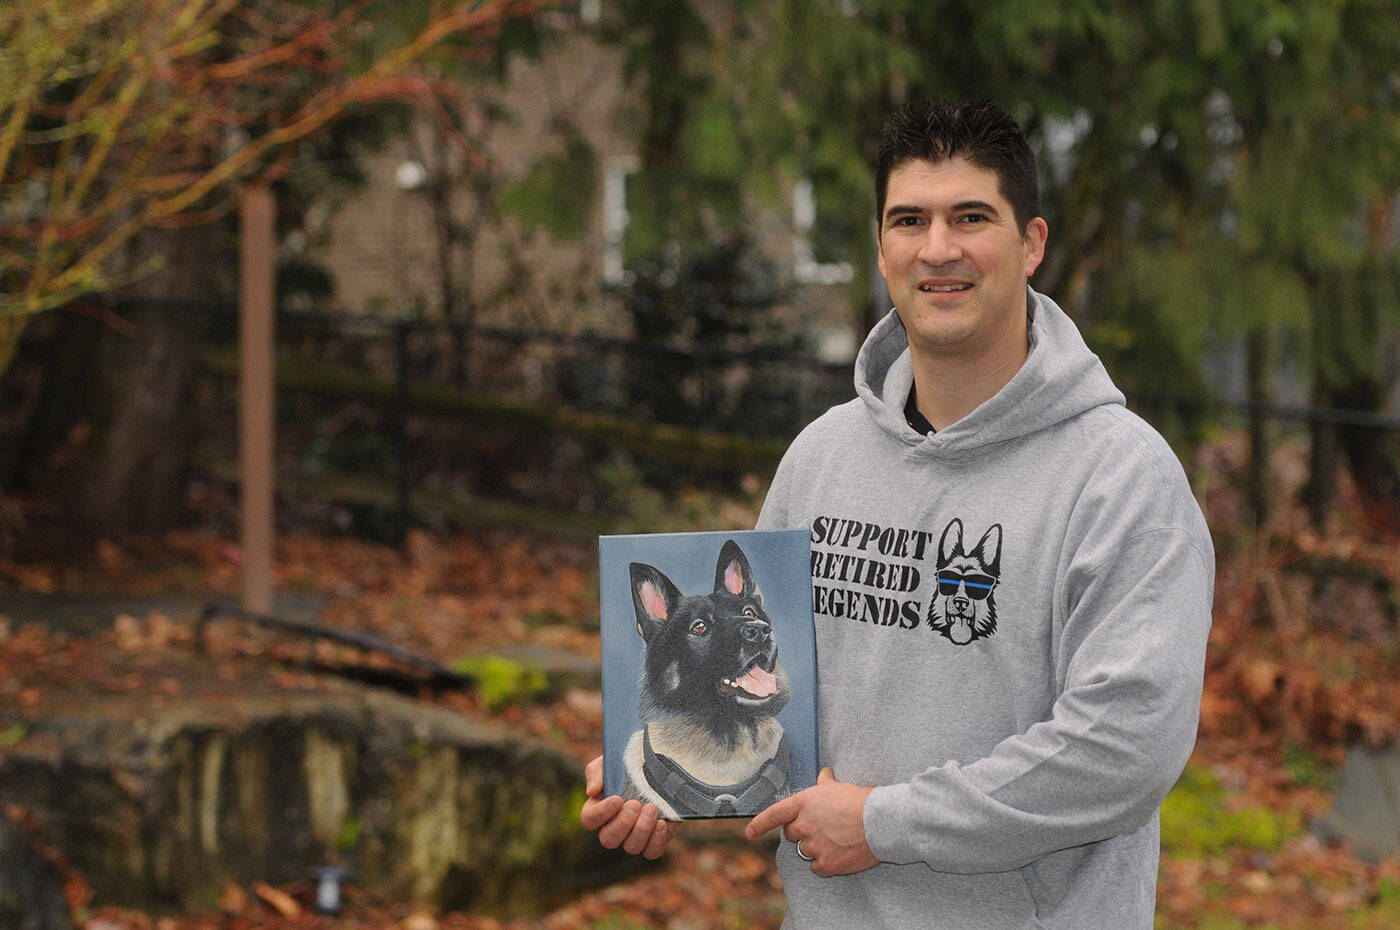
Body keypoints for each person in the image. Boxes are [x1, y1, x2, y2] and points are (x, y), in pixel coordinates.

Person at [581, 98, 1214, 929]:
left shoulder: (1121, 478)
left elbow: (1126, 748)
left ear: (1031, 244)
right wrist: (655, 778)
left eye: (972, 217)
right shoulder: (821, 458)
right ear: (882, 247)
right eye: (909, 219)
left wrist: (886, 824)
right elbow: (776, 703)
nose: (938, 248)